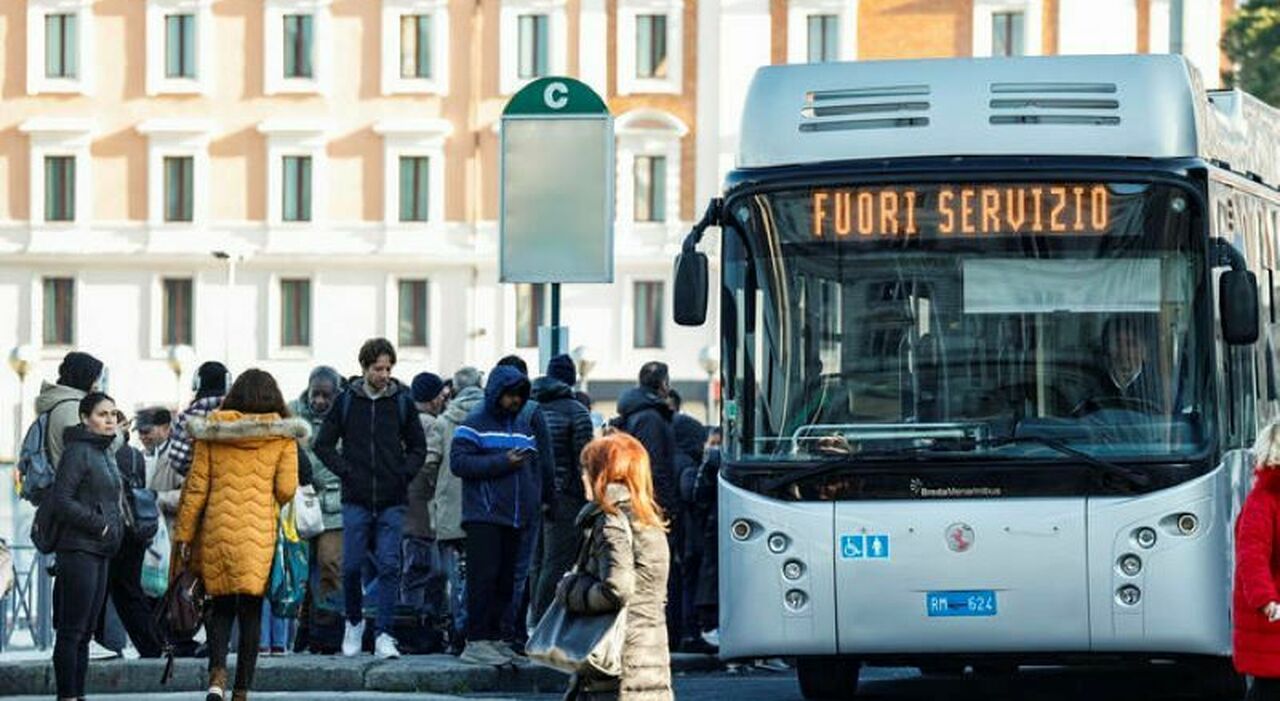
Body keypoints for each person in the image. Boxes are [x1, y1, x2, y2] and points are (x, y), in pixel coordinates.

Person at [172, 369, 304, 701]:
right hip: (258, 534)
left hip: (217, 531)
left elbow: (196, 489)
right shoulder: (282, 436)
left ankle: (217, 677)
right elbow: (286, 489)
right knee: (250, 611)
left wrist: (184, 536)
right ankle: (241, 691)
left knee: (220, 606)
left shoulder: (212, 432)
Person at [314, 339, 427, 660]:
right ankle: (353, 622)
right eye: (379, 368)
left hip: (392, 498)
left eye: (388, 368)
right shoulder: (347, 401)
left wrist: (403, 474)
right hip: (356, 498)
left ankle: (384, 635)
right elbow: (323, 444)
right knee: (350, 567)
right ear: (364, 368)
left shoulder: (401, 401)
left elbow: (418, 447)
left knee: (390, 566)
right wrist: (346, 472)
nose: (385, 374)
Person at [558, 433, 673, 700]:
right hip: (649, 658)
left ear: (604, 474)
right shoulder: (647, 519)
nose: (582, 476)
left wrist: (571, 590)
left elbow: (617, 588)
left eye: (587, 469)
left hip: (615, 663)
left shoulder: (610, 521)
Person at [450, 364, 542, 666]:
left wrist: (533, 503)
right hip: (484, 515)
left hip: (515, 517)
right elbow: (459, 463)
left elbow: (533, 469)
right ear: (496, 393)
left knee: (505, 582)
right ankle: (476, 640)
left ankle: (496, 639)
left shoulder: (523, 427)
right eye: (510, 394)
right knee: (483, 580)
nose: (515, 400)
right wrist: (502, 462)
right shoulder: (473, 424)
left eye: (520, 395)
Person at [47, 392, 125, 701]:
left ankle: (78, 695)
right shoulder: (78, 451)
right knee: (72, 631)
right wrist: (99, 524)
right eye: (102, 414)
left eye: (113, 414)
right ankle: (67, 696)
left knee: (85, 632)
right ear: (84, 418)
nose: (110, 420)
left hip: (101, 550)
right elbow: (62, 500)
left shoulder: (103, 451)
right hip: (78, 550)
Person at [612, 361, 681, 646]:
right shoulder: (651, 418)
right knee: (655, 570)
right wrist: (667, 506)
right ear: (663, 384)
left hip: (638, 501)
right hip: (649, 505)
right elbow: (656, 467)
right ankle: (660, 634)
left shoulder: (635, 413)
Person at [493, 355, 555, 650]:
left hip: (492, 502)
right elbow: (546, 459)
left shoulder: (485, 410)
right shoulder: (532, 410)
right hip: (525, 499)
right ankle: (512, 630)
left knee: (495, 568)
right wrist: (549, 498)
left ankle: (490, 631)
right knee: (520, 569)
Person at [529, 354, 594, 624]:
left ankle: (532, 621)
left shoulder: (530, 407)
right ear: (572, 379)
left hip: (532, 493)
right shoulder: (577, 411)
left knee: (536, 562)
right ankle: (545, 623)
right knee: (557, 562)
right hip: (565, 496)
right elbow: (584, 459)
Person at [426, 366, 485, 654]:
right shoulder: (490, 418)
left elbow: (430, 463)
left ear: (455, 390)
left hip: (450, 507)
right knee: (479, 573)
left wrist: (438, 487)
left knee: (454, 577)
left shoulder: (443, 421)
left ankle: (456, 631)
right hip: (483, 507)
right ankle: (474, 630)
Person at [289, 367, 346, 653]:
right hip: (300, 501)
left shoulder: (347, 416)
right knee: (302, 568)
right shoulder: (292, 414)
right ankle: (305, 627)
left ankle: (327, 629)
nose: (320, 401)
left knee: (329, 563)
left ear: (336, 394)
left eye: (326, 396)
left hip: (334, 504)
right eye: (315, 394)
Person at [102, 423, 164, 659]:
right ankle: (152, 645)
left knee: (109, 590)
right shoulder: (135, 455)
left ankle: (104, 642)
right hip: (136, 529)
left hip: (114, 528)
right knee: (130, 591)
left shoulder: (106, 453)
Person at [403, 372, 448, 625]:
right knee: (425, 571)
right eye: (441, 396)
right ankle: (418, 625)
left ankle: (409, 621)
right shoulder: (431, 424)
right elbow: (430, 465)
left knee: (411, 570)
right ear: (432, 399)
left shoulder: (405, 419)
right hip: (424, 512)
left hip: (405, 509)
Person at [668, 389, 709, 653]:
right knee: (688, 582)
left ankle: (675, 632)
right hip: (688, 533)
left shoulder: (666, 459)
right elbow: (690, 495)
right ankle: (689, 633)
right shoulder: (688, 464)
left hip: (674, 531)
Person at [1077, 316, 1166, 414]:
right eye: (1117, 343)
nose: (1123, 351)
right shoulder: (1088, 387)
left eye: (1131, 344)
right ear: (1106, 348)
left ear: (1145, 351)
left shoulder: (1161, 391)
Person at [36, 352, 106, 468]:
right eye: (94, 379)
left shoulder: (61, 403)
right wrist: (118, 434)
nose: (97, 386)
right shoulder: (73, 409)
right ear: (83, 377)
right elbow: (86, 454)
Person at [169, 361, 233, 476]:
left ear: (196, 384)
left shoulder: (187, 418)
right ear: (228, 384)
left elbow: (177, 460)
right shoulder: (239, 415)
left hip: (198, 483)